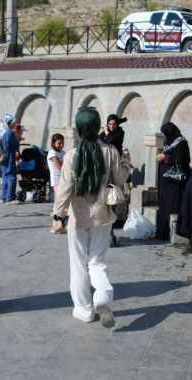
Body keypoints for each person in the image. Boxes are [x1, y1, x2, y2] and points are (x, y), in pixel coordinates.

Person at [51, 107, 130, 328]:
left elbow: (64, 189)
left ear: (78, 129)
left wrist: (58, 214)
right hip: (102, 214)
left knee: (78, 264)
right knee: (97, 263)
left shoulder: (71, 156)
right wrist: (125, 162)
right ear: (98, 128)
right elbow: (121, 177)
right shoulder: (110, 151)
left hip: (78, 217)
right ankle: (102, 296)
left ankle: (84, 310)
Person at [156, 122, 191, 241]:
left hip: (175, 183)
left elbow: (182, 159)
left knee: (173, 206)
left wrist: (165, 158)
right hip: (167, 182)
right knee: (165, 206)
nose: (164, 136)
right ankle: (162, 233)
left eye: (165, 133)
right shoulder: (169, 142)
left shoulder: (181, 143)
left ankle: (173, 234)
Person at [0, 114, 21, 204]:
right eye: (14, 122)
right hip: (9, 157)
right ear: (10, 123)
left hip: (3, 158)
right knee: (11, 177)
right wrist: (17, 140)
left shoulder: (2, 132)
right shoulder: (10, 133)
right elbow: (12, 145)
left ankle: (4, 196)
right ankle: (10, 198)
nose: (15, 123)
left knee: (5, 177)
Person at [47, 133, 66, 233]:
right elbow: (60, 166)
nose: (61, 145)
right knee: (59, 203)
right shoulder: (52, 153)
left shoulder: (63, 152)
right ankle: (55, 225)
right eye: (59, 143)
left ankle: (59, 225)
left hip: (64, 180)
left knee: (61, 203)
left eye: (62, 143)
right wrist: (64, 162)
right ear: (53, 143)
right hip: (57, 181)